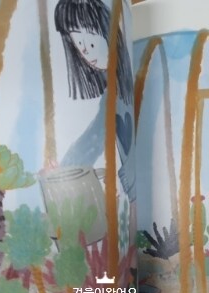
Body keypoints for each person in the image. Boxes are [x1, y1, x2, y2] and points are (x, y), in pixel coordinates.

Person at [54, 0, 135, 205]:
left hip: (131, 184)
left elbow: (96, 137)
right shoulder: (112, 88)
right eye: (79, 46)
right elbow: (96, 136)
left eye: (91, 44)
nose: (87, 53)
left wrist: (67, 168)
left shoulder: (119, 90)